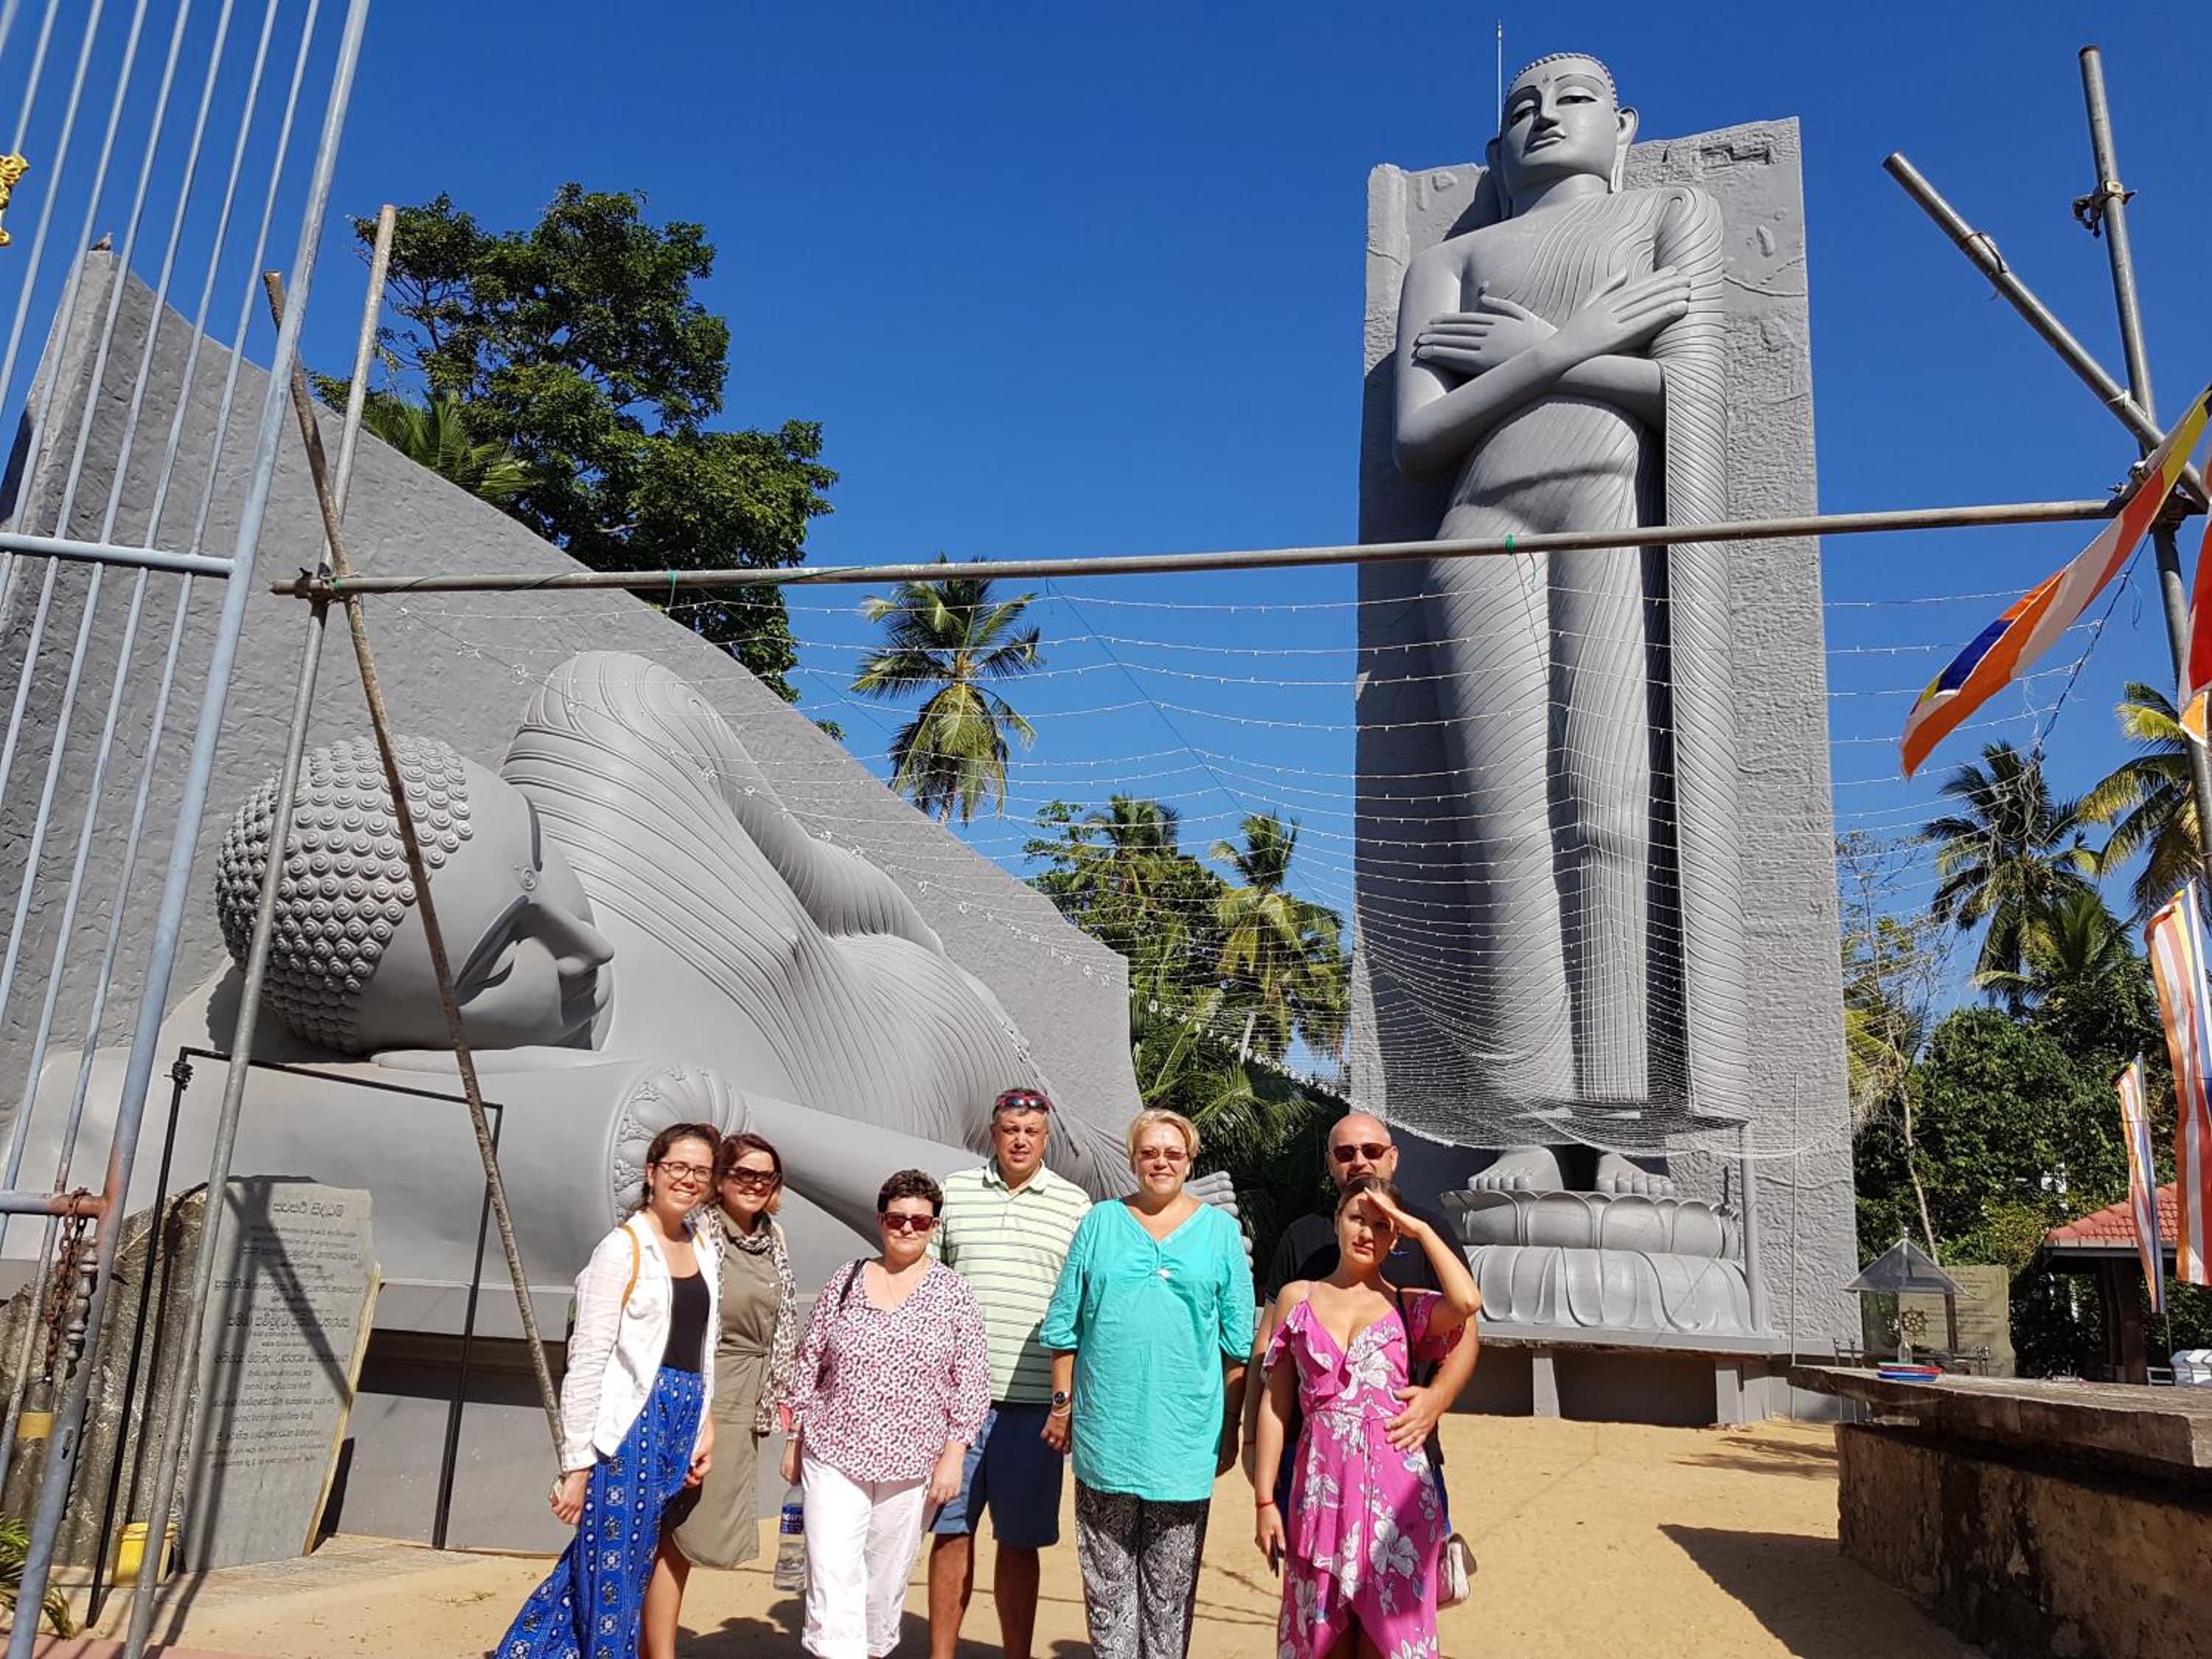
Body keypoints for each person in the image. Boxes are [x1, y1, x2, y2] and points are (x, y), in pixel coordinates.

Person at [496, 1123, 722, 1659]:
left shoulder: (703, 1245)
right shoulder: (621, 1249)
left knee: (612, 1563)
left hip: (681, 1417)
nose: (688, 1179)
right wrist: (576, 1465)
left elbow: (704, 1345)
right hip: (632, 1424)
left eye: (700, 1171)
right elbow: (588, 1359)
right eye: (678, 1167)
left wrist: (704, 1424)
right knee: (613, 1571)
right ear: (652, 1172)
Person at [1040, 1110, 1256, 1659]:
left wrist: (1230, 1427)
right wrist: (1062, 1406)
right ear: (1133, 1159)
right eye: (1150, 1152)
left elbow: (1237, 1345)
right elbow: (1065, 1325)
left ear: (1189, 1161)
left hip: (1184, 1440)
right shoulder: (1100, 1223)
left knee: (1170, 1593)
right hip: (1106, 1437)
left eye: (1173, 1153)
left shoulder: (1219, 1233)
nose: (1161, 1162)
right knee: (1107, 1589)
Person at [1253, 1176, 1479, 1658]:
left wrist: (1420, 1228)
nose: (1368, 1233)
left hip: (1397, 1504)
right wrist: (1264, 1499)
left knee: (1389, 1645)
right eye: (1358, 1218)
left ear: (1396, 1237)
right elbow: (1277, 1403)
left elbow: (1466, 1302)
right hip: (1319, 1496)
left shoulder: (1406, 1304)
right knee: (1321, 1643)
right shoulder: (1298, 1297)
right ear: (1337, 1220)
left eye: (1382, 1225)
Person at [782, 1170, 990, 1659]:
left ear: (934, 1227)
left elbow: (973, 1380)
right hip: (833, 1450)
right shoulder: (846, 1280)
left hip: (913, 1462)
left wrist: (954, 1454)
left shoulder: (954, 1293)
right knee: (832, 1570)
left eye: (920, 1220)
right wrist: (794, 1437)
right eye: (897, 1218)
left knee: (884, 1578)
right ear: (881, 1221)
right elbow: (810, 1359)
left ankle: (872, 1650)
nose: (907, 1228)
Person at [927, 1087, 1092, 1659]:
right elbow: (929, 1287)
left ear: (1046, 1139)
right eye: (1010, 1130)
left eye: (1031, 1132)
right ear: (994, 1134)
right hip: (957, 1407)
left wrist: (1067, 1402)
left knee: (1021, 1541)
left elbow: (1083, 1306)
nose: (1020, 1141)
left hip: (1036, 1407)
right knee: (951, 1532)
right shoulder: (954, 1192)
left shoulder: (1075, 1206)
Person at [1245, 1113, 1478, 1516]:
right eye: (1345, 1153)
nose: (1359, 1161)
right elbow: (1267, 1347)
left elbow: (1466, 1326)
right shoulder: (1302, 1237)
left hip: (1404, 1443)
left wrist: (1437, 1398)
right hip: (1307, 1448)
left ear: (1393, 1157)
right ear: (1330, 1161)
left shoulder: (1428, 1231)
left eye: (1371, 1150)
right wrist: (1250, 1440)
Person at [669, 1131, 801, 1572]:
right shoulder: (699, 1232)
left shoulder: (772, 1236)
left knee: (695, 1524)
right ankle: (648, 1622)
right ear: (721, 1179)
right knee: (682, 1525)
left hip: (750, 1395)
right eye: (744, 1174)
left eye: (767, 1177)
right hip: (709, 1386)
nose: (755, 1184)